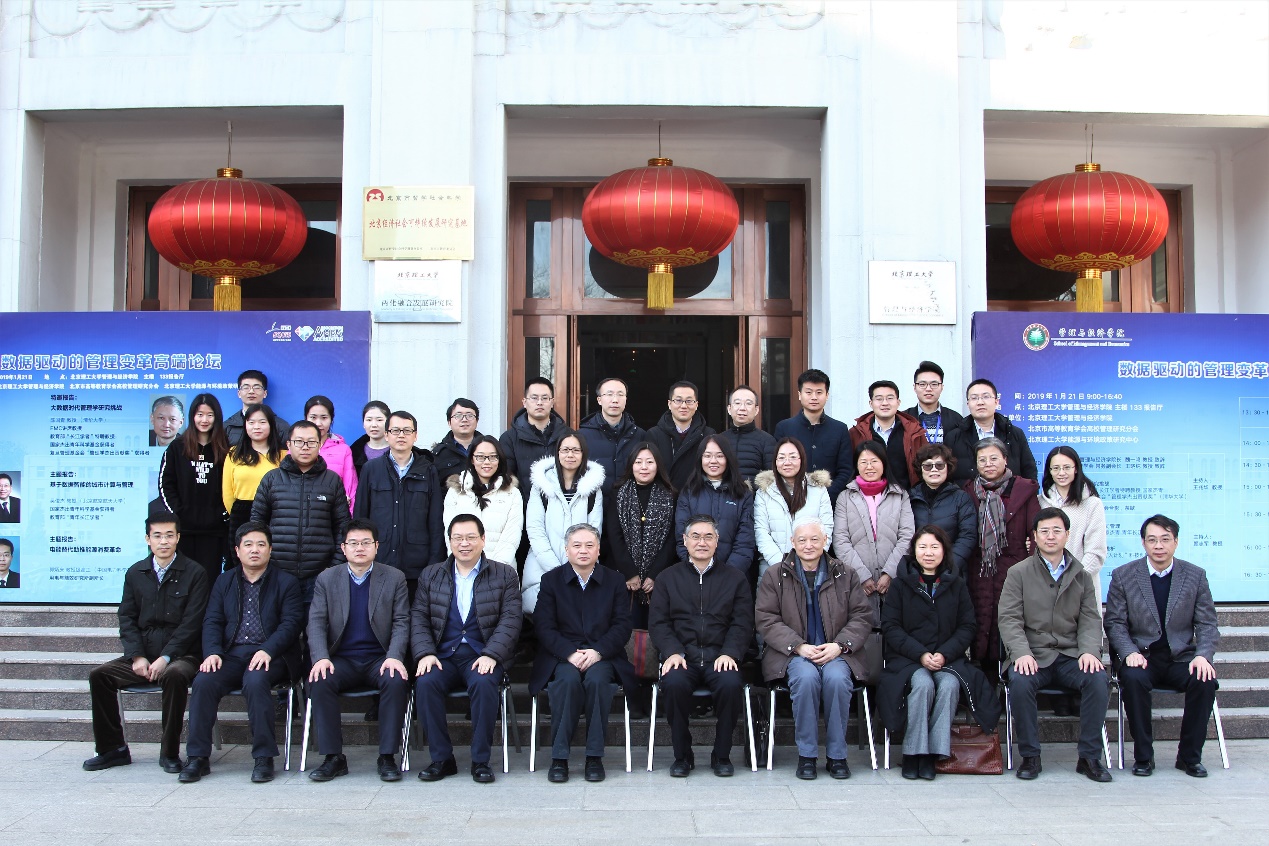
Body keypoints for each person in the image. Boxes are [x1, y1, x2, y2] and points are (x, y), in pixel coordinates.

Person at [178, 522, 303, 784]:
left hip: (271, 655)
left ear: (270, 549)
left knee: (256, 681)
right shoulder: (224, 581)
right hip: (231, 654)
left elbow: (291, 624)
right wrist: (212, 652)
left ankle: (264, 757)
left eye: (260, 544)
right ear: (237, 550)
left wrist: (268, 650)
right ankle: (197, 757)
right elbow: (212, 620)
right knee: (204, 681)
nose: (254, 550)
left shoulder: (286, 582)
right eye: (248, 545)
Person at [83, 515, 208, 773]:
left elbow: (192, 623)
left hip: (183, 655)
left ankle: (169, 753)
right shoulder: (135, 573)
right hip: (144, 654)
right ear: (147, 539)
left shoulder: (195, 573)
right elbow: (127, 618)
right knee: (100, 676)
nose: (164, 541)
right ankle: (112, 749)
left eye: (170, 535)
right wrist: (136, 656)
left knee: (174, 675)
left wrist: (166, 657)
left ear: (178, 538)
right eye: (157, 536)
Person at [998, 507, 1112, 782]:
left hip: (1071, 655)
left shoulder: (1081, 574)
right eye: (1045, 531)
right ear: (1035, 536)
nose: (1051, 536)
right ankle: (1030, 756)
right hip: (1033, 655)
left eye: (1057, 531)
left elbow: (1090, 618)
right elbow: (1009, 618)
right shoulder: (1018, 572)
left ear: (1067, 535)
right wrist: (1021, 653)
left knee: (1098, 679)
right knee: (1021, 682)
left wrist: (1089, 651)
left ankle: (1089, 757)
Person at [755, 519, 873, 780]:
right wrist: (797, 646)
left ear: (825, 541)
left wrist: (839, 645)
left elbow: (862, 616)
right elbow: (766, 618)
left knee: (837, 679)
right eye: (802, 540)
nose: (808, 545)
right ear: (792, 543)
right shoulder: (775, 575)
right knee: (806, 679)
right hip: (792, 654)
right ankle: (807, 755)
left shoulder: (846, 574)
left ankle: (837, 756)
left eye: (814, 539)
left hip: (837, 652)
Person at [879, 526, 999, 781]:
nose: (928, 552)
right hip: (909, 660)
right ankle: (914, 753)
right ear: (914, 551)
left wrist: (944, 654)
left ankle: (934, 753)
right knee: (922, 684)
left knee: (949, 685)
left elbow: (967, 626)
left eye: (934, 547)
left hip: (948, 659)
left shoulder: (956, 584)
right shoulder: (900, 585)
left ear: (944, 551)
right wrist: (921, 654)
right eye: (922, 547)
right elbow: (891, 627)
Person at [1104, 514, 1220, 778]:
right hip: (1142, 656)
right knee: (1133, 679)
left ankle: (1189, 757)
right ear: (1143, 543)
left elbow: (1207, 624)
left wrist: (1203, 655)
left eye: (1165, 539)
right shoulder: (1124, 575)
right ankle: (1144, 757)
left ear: (1176, 542)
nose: (1159, 546)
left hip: (1180, 657)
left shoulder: (1195, 576)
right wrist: (1129, 652)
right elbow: (1115, 623)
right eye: (1152, 539)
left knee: (1204, 680)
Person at [412, 514, 523, 784]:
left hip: (482, 654)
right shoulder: (431, 574)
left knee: (484, 684)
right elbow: (419, 618)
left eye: (471, 537)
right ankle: (442, 759)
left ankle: (480, 761)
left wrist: (492, 654)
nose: (464, 543)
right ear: (449, 541)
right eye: (458, 538)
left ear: (483, 540)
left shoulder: (504, 574)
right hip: (443, 655)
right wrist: (425, 652)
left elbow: (511, 619)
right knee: (425, 682)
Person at [305, 518, 411, 783]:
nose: (360, 548)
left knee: (395, 680)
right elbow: (316, 622)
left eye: (366, 542)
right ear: (343, 548)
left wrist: (394, 656)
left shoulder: (394, 577)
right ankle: (333, 757)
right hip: (341, 659)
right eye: (353, 543)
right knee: (320, 679)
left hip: (379, 658)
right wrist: (321, 658)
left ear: (376, 546)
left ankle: (387, 756)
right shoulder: (327, 578)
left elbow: (402, 621)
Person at [650, 515, 754, 777]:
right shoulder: (667, 578)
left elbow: (742, 623)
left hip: (720, 656)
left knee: (730, 684)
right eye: (695, 536)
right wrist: (672, 651)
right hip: (682, 657)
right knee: (673, 683)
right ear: (685, 541)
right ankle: (682, 756)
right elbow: (659, 623)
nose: (702, 542)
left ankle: (722, 755)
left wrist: (730, 652)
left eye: (708, 537)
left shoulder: (735, 578)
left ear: (717, 541)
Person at [531, 524, 635, 783]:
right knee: (566, 681)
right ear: (566, 550)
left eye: (590, 545)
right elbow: (543, 626)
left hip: (602, 655)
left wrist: (598, 651)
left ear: (599, 550)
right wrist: (569, 653)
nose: (583, 550)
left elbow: (622, 625)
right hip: (562, 655)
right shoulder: (551, 580)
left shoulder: (614, 580)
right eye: (576, 545)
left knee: (598, 681)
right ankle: (559, 758)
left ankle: (594, 757)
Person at [250, 419, 351, 606]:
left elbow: (342, 527)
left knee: (316, 623)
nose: (305, 447)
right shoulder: (272, 479)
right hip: (277, 572)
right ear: (289, 445)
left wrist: (333, 566)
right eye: (299, 442)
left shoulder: (332, 481)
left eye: (311, 442)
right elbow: (257, 524)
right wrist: (266, 564)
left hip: (319, 574)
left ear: (319, 445)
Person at [964, 436, 1040, 677]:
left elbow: (1035, 533)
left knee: (1009, 622)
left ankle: (1012, 680)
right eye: (982, 460)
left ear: (1005, 460)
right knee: (981, 624)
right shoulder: (968, 491)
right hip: (978, 571)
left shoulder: (1023, 490)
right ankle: (985, 685)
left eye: (993, 458)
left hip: (1014, 570)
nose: (988, 464)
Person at [354, 410, 445, 600]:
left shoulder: (428, 470)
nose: (401, 435)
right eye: (395, 430)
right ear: (387, 435)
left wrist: (434, 564)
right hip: (379, 563)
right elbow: (360, 517)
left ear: (415, 435)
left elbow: (436, 521)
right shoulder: (371, 469)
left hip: (417, 566)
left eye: (407, 430)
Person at [523, 430, 605, 614]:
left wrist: (574, 568)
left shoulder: (592, 488)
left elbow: (594, 532)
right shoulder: (541, 484)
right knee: (545, 617)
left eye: (576, 450)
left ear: (583, 454)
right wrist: (557, 570)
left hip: (582, 567)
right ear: (557, 452)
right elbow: (535, 529)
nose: (570, 455)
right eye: (565, 450)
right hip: (541, 566)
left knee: (577, 618)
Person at [831, 441, 915, 615]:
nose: (869, 467)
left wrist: (890, 573)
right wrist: (862, 575)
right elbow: (840, 540)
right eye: (863, 462)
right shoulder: (845, 497)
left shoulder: (900, 495)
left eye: (874, 461)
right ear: (856, 466)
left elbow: (907, 536)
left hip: (896, 579)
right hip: (856, 582)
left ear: (884, 463)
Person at [160, 392, 230, 585]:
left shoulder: (226, 449)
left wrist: (222, 514)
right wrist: (179, 513)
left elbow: (234, 485)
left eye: (209, 415)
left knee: (209, 580)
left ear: (217, 417)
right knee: (183, 582)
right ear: (192, 417)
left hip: (215, 531)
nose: (204, 420)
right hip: (184, 529)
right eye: (200, 414)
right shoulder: (177, 447)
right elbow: (166, 485)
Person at [753, 437, 833, 584]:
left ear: (802, 459)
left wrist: (810, 560)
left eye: (793, 457)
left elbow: (826, 527)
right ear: (775, 462)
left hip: (812, 567)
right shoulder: (764, 492)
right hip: (773, 568)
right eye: (781, 457)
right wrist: (782, 564)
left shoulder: (818, 490)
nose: (787, 462)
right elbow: (761, 531)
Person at [673, 435, 755, 572]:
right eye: (707, 456)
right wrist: (697, 569)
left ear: (728, 459)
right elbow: (682, 536)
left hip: (732, 575)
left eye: (719, 456)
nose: (713, 461)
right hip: (694, 573)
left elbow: (745, 541)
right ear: (700, 459)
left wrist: (728, 574)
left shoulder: (742, 494)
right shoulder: (689, 492)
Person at [774, 369, 854, 505]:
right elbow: (777, 466)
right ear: (799, 395)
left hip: (830, 502)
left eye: (819, 392)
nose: (814, 397)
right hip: (791, 501)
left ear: (827, 395)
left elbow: (845, 470)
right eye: (809, 392)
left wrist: (826, 496)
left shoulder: (839, 429)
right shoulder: (784, 428)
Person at [1039, 445, 1108, 601]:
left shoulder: (1092, 504)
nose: (1061, 473)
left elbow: (1095, 552)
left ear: (1076, 469)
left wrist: (1071, 582)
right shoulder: (1040, 502)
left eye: (1066, 467)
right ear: (1049, 471)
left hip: (1081, 589)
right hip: (1044, 589)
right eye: (1056, 468)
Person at [443, 435, 523, 566]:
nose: (487, 462)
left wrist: (495, 570)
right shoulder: (456, 491)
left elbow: (511, 537)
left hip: (502, 569)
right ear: (472, 459)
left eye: (493, 457)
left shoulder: (512, 493)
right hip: (464, 568)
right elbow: (450, 535)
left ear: (499, 459)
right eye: (480, 457)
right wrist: (465, 566)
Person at [221, 403, 286, 551]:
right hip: (241, 513)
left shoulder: (283, 455)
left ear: (271, 425)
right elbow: (227, 491)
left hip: (275, 513)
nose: (256, 427)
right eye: (251, 422)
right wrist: (236, 514)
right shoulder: (234, 453)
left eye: (262, 422)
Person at [946, 379, 1037, 482]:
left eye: (986, 397)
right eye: (974, 398)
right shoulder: (954, 437)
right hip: (967, 492)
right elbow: (947, 475)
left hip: (1010, 492)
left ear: (996, 402)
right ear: (968, 404)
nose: (980, 402)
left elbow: (1029, 471)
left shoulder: (1014, 434)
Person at [907, 442, 977, 575]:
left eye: (939, 465)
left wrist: (949, 566)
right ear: (921, 469)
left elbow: (968, 536)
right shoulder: (909, 498)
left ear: (948, 468)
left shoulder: (961, 498)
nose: (934, 470)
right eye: (928, 466)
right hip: (916, 571)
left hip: (951, 572)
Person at [500, 377, 567, 505]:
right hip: (524, 509)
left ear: (552, 402)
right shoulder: (509, 438)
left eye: (545, 398)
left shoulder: (568, 436)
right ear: (524, 402)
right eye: (534, 398)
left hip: (561, 508)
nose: (539, 402)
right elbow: (506, 479)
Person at [849, 380, 927, 487]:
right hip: (868, 494)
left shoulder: (914, 432)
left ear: (898, 402)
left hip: (907, 494)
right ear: (871, 403)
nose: (885, 403)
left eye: (890, 398)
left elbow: (925, 464)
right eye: (879, 399)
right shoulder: (856, 433)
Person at [578, 377, 646, 496]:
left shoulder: (640, 435)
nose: (615, 400)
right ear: (599, 400)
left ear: (626, 399)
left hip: (630, 502)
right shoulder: (582, 435)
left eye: (620, 395)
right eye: (609, 394)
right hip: (594, 502)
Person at [646, 380, 716, 492]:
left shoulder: (708, 435)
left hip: (697, 495)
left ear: (696, 405)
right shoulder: (654, 435)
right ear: (669, 404)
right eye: (678, 400)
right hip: (663, 497)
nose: (683, 406)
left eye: (689, 401)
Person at [305, 395, 358, 510]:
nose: (318, 423)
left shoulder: (343, 450)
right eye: (313, 417)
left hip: (333, 513)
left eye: (324, 418)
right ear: (306, 418)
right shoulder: (296, 448)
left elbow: (351, 489)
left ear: (331, 419)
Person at [719, 384, 776, 485]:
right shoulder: (720, 440)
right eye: (737, 403)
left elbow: (772, 480)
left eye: (748, 403)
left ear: (756, 410)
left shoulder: (767, 441)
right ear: (729, 409)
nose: (742, 408)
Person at [903, 361, 964, 445]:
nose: (928, 389)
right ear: (915, 387)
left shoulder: (956, 419)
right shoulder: (904, 419)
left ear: (942, 387)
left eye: (934, 384)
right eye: (922, 384)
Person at [224, 370, 290, 445]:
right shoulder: (228, 426)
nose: (251, 391)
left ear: (265, 393)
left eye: (257, 387)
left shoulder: (280, 426)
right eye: (246, 387)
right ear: (239, 393)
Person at [432, 398, 484, 484]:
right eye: (458, 416)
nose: (464, 419)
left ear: (477, 421)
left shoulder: (489, 448)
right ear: (449, 422)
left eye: (470, 415)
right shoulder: (438, 454)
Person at [350, 400, 392, 478]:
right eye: (369, 420)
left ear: (389, 423)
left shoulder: (399, 450)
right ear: (363, 424)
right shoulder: (353, 453)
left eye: (379, 420)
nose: (374, 425)